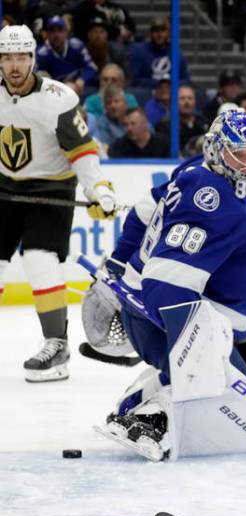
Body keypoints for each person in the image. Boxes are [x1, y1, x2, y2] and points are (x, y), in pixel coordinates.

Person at [97, 111, 246, 462]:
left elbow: (143, 211)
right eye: (239, 153)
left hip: (205, 313)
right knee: (224, 399)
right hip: (163, 317)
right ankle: (150, 416)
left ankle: (143, 394)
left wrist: (119, 261)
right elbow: (166, 284)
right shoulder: (211, 198)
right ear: (215, 150)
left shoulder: (198, 170)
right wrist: (196, 351)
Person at [0, 24, 117, 382]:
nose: (15, 65)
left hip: (51, 189)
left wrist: (98, 189)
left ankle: (57, 345)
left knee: (38, 259)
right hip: (5, 188)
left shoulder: (57, 98)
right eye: (7, 57)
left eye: (22, 57)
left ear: (33, 58)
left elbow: (82, 151)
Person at [34, 15, 97, 94]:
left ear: (66, 32)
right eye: (52, 31)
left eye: (60, 30)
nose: (56, 35)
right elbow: (36, 79)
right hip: (54, 93)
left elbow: (92, 67)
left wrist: (82, 79)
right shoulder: (41, 54)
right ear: (47, 34)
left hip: (79, 87)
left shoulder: (77, 45)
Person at [128, 16, 190, 88]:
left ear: (168, 33)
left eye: (163, 30)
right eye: (156, 30)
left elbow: (186, 80)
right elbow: (134, 80)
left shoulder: (176, 52)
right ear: (150, 33)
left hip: (171, 94)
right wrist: (159, 84)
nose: (159, 34)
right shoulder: (139, 51)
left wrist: (168, 85)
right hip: (146, 94)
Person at [156, 85, 208, 151]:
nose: (187, 102)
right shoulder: (164, 126)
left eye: (190, 98)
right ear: (174, 102)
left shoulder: (204, 123)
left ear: (195, 102)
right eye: (182, 98)